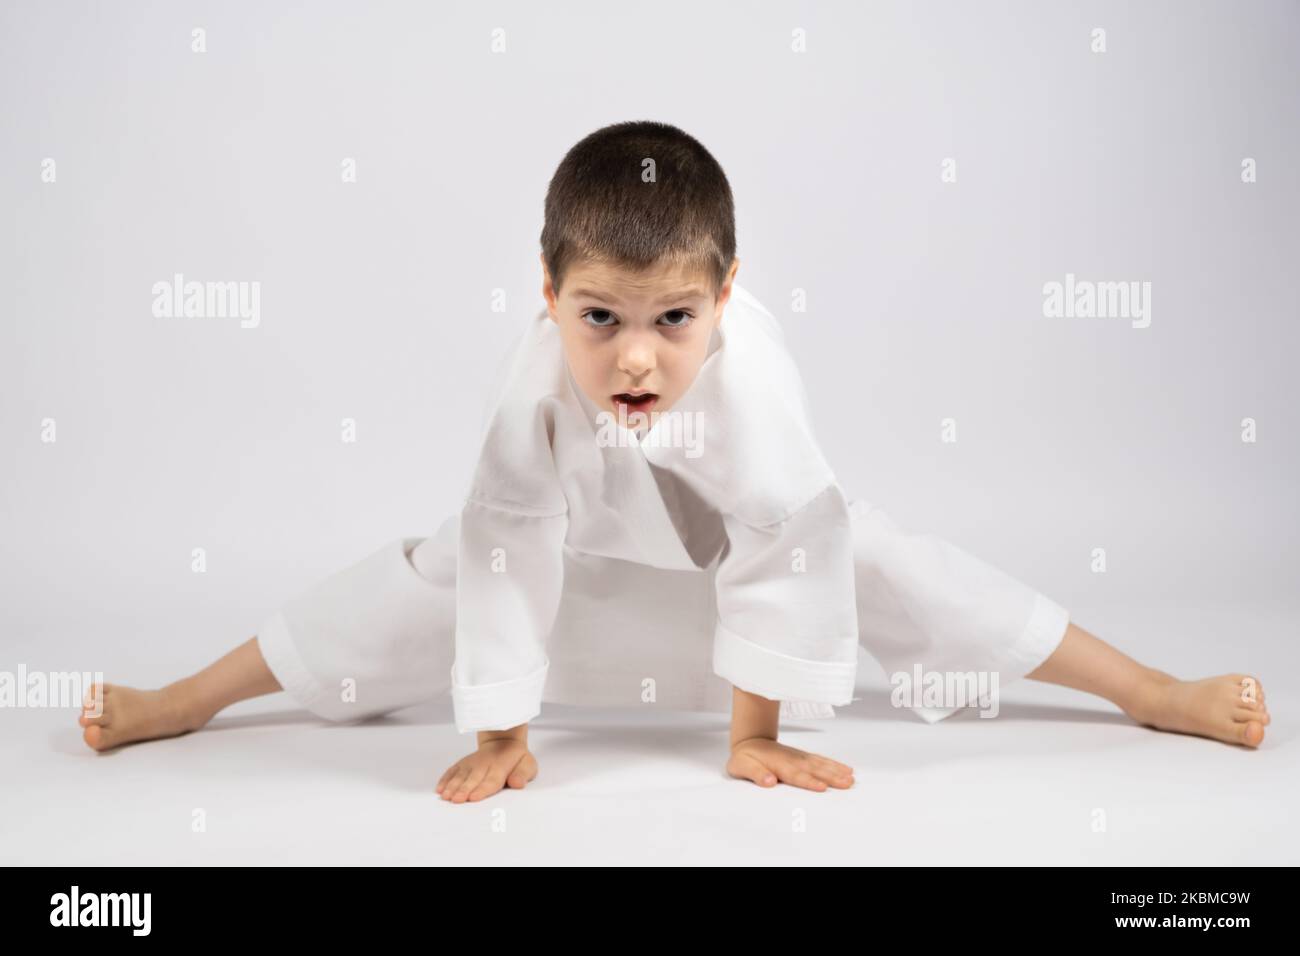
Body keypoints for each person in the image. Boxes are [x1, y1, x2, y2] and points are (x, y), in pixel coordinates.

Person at [78, 121, 1270, 803]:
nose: (636, 357)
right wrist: (501, 732)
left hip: (723, 575)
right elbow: (505, 547)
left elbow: (787, 547)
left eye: (673, 321)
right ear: (547, 297)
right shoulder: (532, 387)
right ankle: (183, 700)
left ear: (723, 297)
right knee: (423, 571)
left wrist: (750, 730)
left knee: (899, 561)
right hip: (588, 566)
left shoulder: (754, 383)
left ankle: (1147, 690)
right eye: (599, 317)